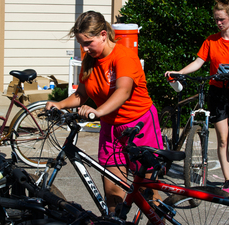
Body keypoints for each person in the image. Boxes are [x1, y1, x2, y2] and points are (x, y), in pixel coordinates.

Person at [46, 10, 164, 212]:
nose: (84, 48)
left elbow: (123, 91)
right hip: (111, 129)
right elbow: (81, 94)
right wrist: (60, 104)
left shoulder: (124, 56)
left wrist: (98, 112)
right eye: (81, 43)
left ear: (103, 34)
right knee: (112, 194)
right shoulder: (89, 60)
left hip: (139, 125)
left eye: (88, 43)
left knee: (147, 193)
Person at [165, 0, 229, 193]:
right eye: (216, 20)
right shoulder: (211, 40)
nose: (219, 23)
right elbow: (199, 61)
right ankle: (228, 179)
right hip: (217, 93)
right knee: (222, 140)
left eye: (222, 19)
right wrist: (179, 72)